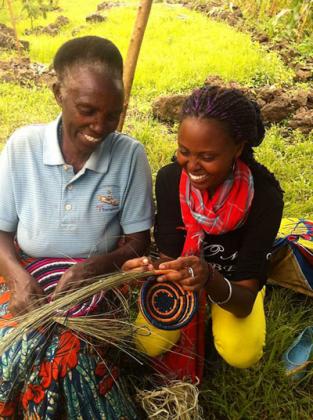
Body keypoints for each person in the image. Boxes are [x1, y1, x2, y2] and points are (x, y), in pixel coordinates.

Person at [0, 36, 153, 418]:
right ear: (58, 94)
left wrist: (96, 266)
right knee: (18, 342)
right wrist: (18, 279)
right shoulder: (23, 146)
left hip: (97, 286)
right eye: (87, 110)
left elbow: (138, 242)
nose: (99, 126)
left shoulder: (129, 155)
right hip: (23, 276)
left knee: (66, 353)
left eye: (112, 115)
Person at [123, 85, 284, 381]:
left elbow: (243, 299)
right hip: (191, 278)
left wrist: (209, 278)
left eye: (207, 156)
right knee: (145, 342)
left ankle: (219, 311)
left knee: (241, 352)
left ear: (237, 148)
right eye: (184, 151)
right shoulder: (171, 180)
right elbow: (170, 258)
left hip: (233, 284)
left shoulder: (264, 197)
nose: (192, 166)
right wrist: (147, 269)